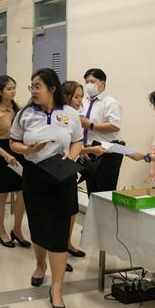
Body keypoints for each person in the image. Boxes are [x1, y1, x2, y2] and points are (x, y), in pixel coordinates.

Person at [10, 68, 83, 308]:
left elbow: (77, 140)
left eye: (37, 86)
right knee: (39, 227)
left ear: (52, 88)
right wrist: (27, 149)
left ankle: (57, 289)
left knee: (60, 231)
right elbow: (13, 142)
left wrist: (72, 155)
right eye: (31, 86)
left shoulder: (70, 114)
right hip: (34, 176)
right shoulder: (25, 114)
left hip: (62, 176)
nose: (33, 91)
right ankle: (40, 266)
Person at [61, 80, 107, 260]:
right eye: (77, 97)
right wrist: (91, 150)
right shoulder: (62, 116)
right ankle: (59, 251)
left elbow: (76, 142)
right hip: (61, 167)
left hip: (71, 167)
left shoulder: (74, 115)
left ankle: (67, 244)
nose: (80, 101)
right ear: (66, 97)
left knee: (72, 209)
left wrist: (82, 151)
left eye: (81, 96)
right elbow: (66, 146)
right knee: (63, 211)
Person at [0, 75, 32, 249]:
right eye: (9, 89)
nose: (13, 91)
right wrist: (5, 155)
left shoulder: (18, 108)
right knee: (2, 195)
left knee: (22, 192)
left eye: (14, 88)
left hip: (18, 151)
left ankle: (17, 230)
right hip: (1, 154)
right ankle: (1, 231)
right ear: (0, 91)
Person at [79, 68, 123, 195]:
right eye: (86, 82)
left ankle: (105, 215)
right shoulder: (84, 101)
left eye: (92, 81)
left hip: (107, 152)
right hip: (89, 150)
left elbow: (115, 125)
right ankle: (95, 215)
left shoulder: (110, 102)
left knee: (104, 192)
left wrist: (92, 125)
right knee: (92, 192)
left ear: (102, 83)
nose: (88, 85)